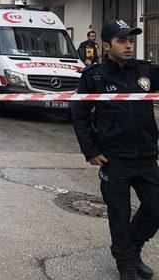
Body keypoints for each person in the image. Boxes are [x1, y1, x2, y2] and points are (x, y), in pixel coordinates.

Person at [72, 20, 159, 280]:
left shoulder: (146, 72)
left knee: (156, 208)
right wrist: (90, 150)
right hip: (114, 159)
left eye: (131, 41)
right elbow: (79, 115)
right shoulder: (94, 77)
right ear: (107, 45)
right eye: (122, 41)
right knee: (119, 216)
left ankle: (131, 249)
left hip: (145, 156)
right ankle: (126, 266)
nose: (129, 46)